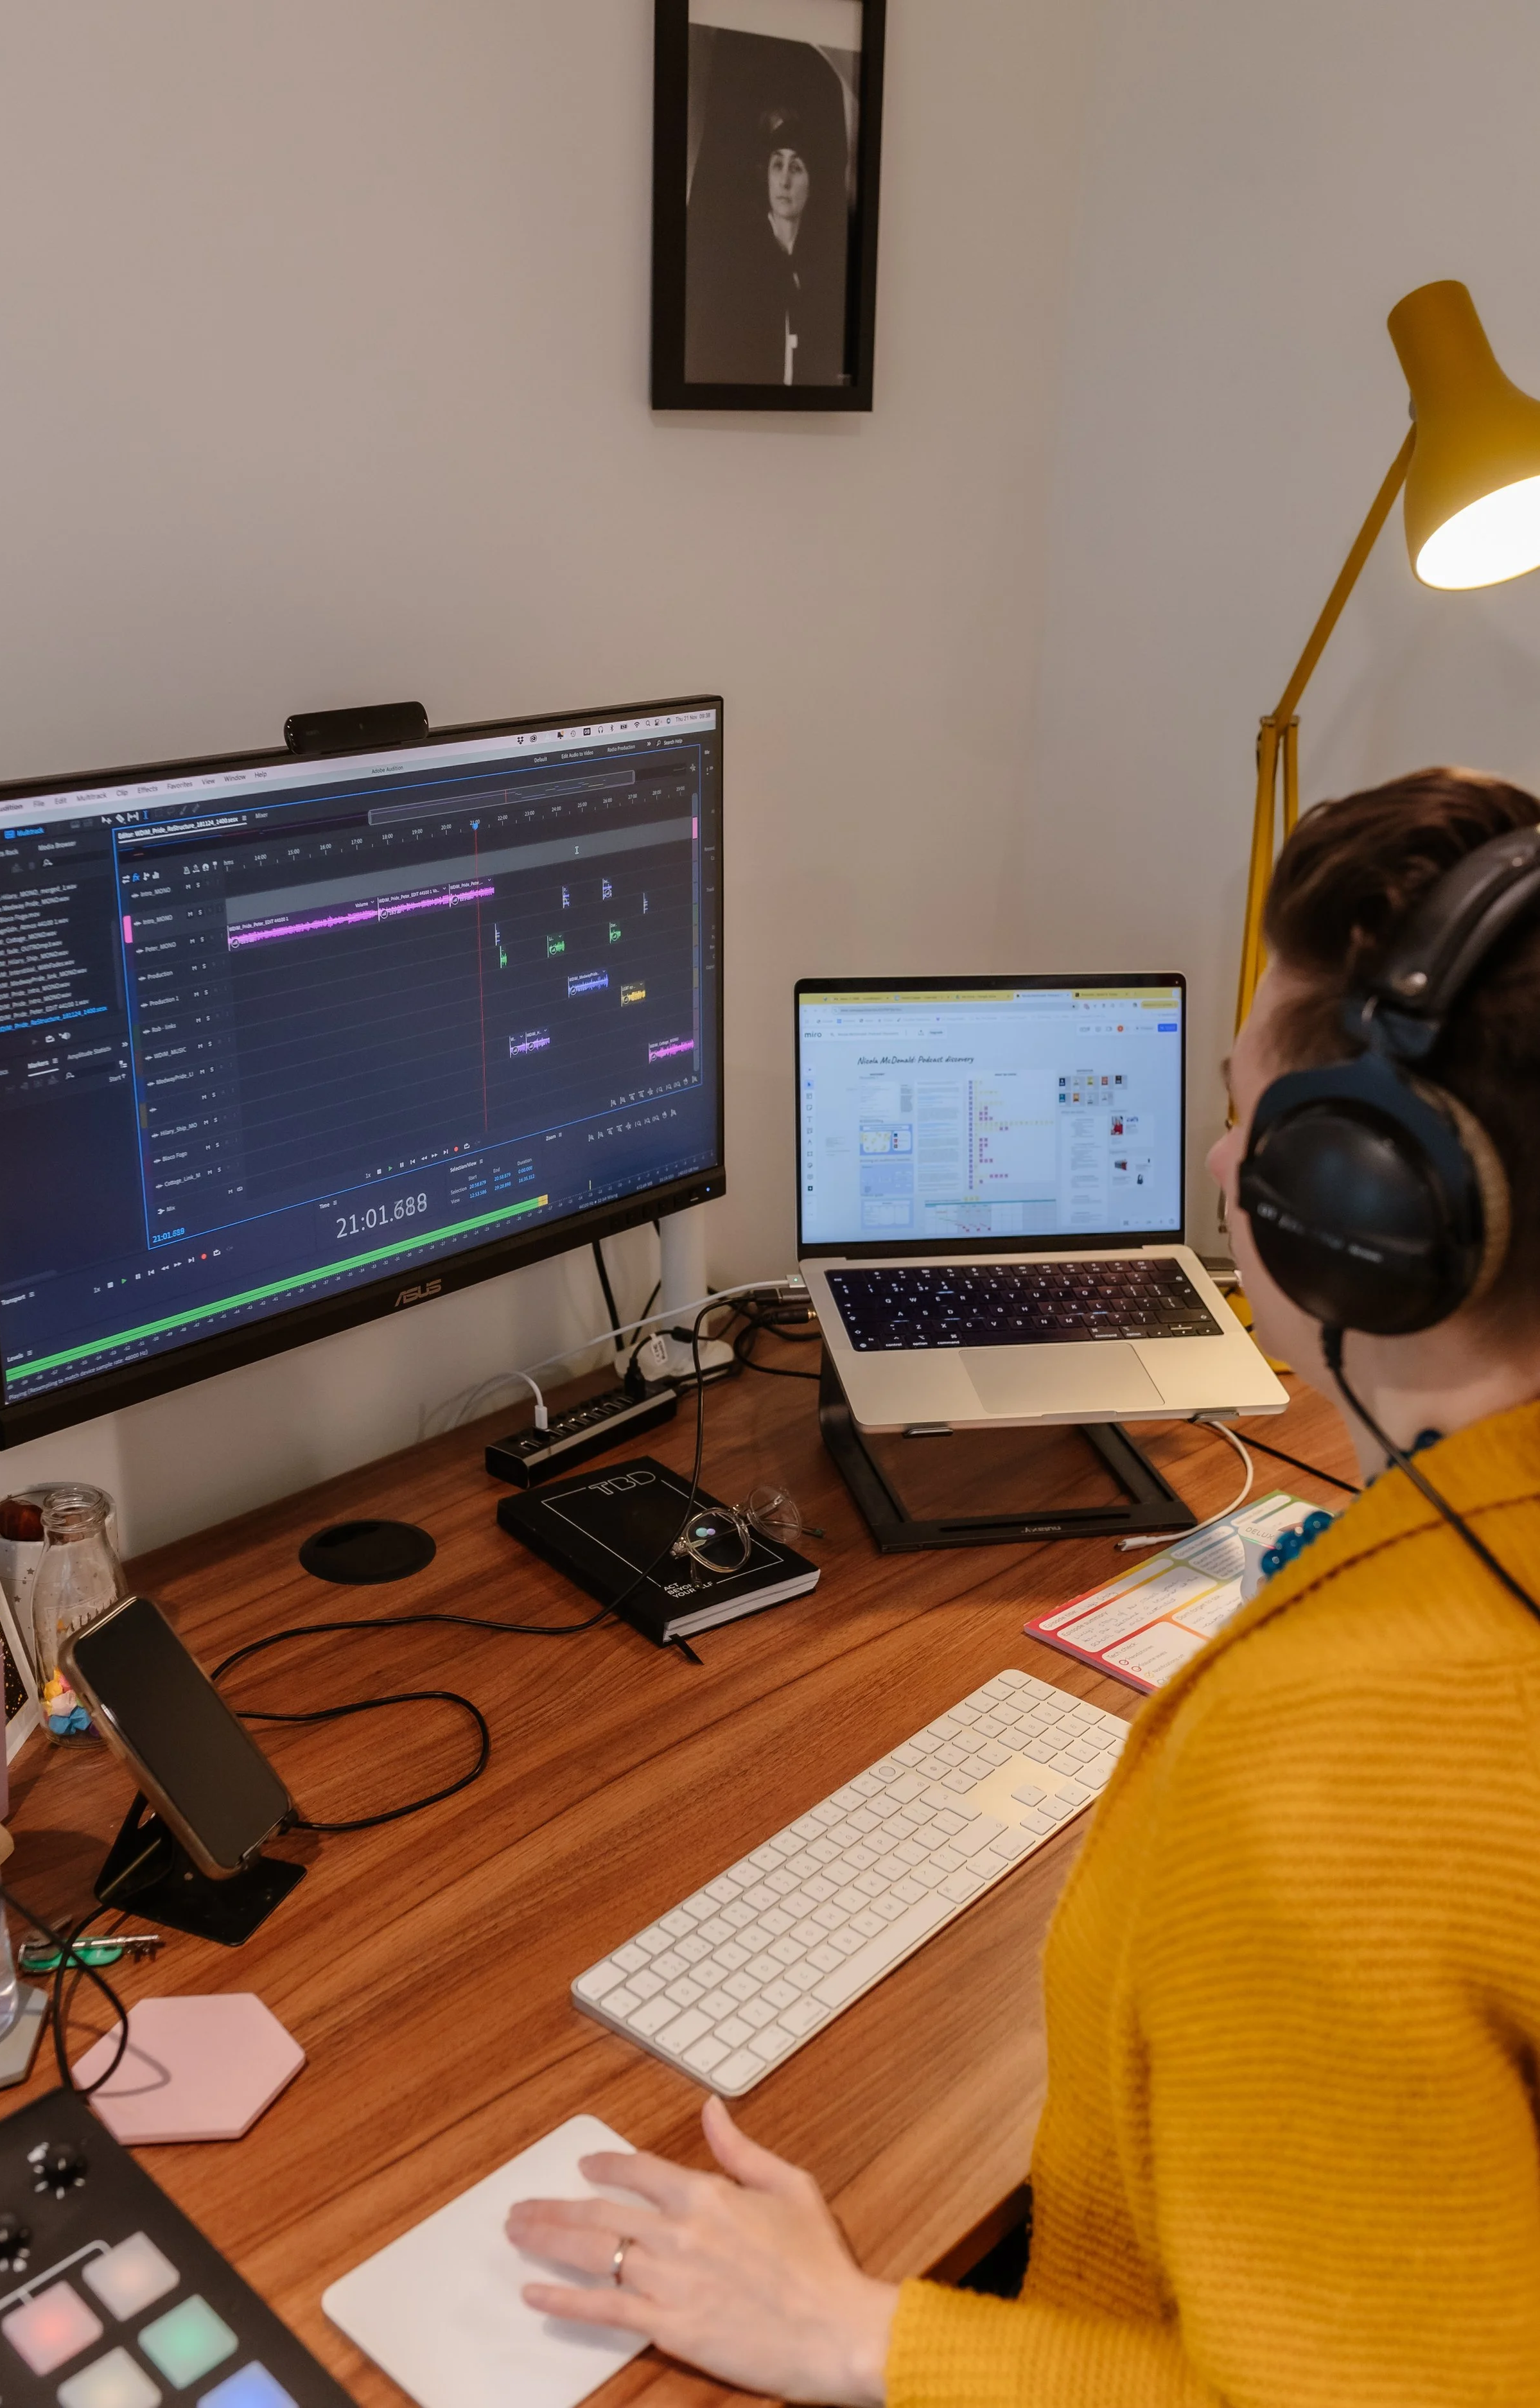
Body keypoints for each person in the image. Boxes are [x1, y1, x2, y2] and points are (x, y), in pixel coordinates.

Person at [507, 768, 1540, 2402]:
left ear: (1358, 1206)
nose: (1212, 1158)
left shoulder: (1334, 1767)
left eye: (1245, 1114)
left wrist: (859, 2331)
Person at [685, 102, 844, 386]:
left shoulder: (823, 271)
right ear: (766, 175)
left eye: (796, 168)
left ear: (812, 182)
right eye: (777, 165)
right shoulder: (738, 262)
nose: (784, 181)